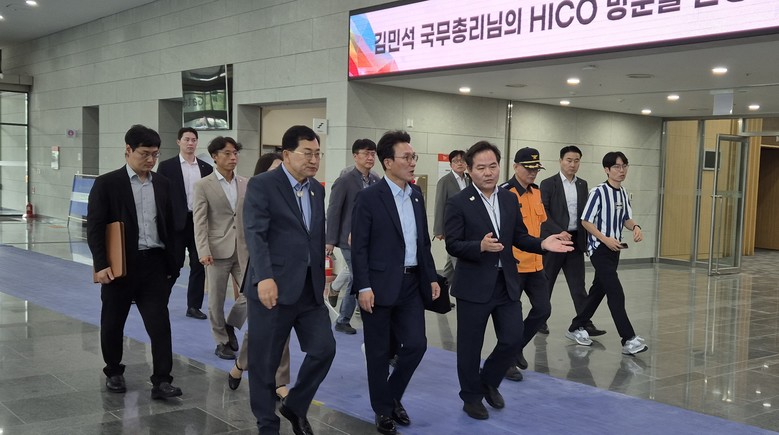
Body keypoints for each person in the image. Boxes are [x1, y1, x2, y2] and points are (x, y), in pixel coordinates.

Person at [444, 141, 572, 420]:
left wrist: (543, 244)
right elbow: (452, 244)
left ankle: (489, 380)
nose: (488, 172)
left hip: (506, 282)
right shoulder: (458, 202)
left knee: (513, 340)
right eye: (481, 168)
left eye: (493, 166)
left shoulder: (508, 198)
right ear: (469, 170)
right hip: (474, 286)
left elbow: (519, 237)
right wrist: (479, 246)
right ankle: (471, 397)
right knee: (469, 347)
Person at [243, 125, 336, 435]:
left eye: (318, 154)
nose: (314, 160)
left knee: (324, 349)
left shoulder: (317, 189)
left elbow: (316, 237)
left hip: (309, 290)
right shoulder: (263, 185)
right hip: (272, 288)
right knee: (264, 362)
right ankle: (267, 424)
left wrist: (323, 276)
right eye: (307, 153)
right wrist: (264, 277)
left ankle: (295, 405)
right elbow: (255, 234)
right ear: (286, 154)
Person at [351, 130, 440, 435]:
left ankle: (390, 396)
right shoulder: (368, 198)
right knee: (378, 353)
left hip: (411, 284)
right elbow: (359, 247)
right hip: (377, 287)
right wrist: (363, 286)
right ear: (388, 162)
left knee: (416, 345)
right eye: (407, 157)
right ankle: (383, 410)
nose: (413, 162)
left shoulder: (416, 195)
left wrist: (431, 277)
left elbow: (422, 242)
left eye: (414, 157)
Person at [87, 124, 182, 400]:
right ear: (128, 150)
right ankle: (114, 371)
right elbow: (95, 227)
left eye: (155, 154)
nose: (151, 160)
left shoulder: (162, 184)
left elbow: (171, 226)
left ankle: (162, 380)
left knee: (160, 325)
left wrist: (173, 266)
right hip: (120, 266)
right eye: (145, 154)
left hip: (154, 265)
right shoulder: (107, 184)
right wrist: (101, 265)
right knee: (113, 321)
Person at [565, 151, 648, 356]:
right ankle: (628, 339)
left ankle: (576, 326)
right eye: (617, 167)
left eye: (624, 166)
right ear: (607, 170)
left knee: (598, 291)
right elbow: (586, 221)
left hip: (614, 249)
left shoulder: (623, 192)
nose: (622, 170)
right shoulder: (598, 192)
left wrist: (635, 226)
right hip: (600, 249)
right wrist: (604, 239)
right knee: (615, 291)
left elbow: (626, 218)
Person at [226, 152, 292, 401]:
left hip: (286, 274)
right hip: (260, 275)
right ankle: (241, 366)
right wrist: (252, 278)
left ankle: (278, 380)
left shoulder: (289, 197)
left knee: (282, 330)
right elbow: (245, 242)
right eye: (274, 169)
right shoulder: (250, 197)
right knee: (260, 331)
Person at [539, 146, 606, 337]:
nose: (572, 164)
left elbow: (585, 214)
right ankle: (540, 320)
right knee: (546, 282)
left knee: (578, 285)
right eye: (569, 160)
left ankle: (584, 322)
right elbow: (543, 213)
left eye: (576, 161)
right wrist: (558, 231)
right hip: (554, 241)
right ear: (560, 161)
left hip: (575, 241)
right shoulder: (548, 183)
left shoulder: (582, 184)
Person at [192, 136, 247, 361]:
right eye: (227, 153)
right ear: (215, 156)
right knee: (216, 299)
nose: (233, 157)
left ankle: (230, 324)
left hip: (243, 249)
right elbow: (200, 221)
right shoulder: (203, 185)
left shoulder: (245, 183)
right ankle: (221, 341)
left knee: (251, 292)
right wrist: (203, 250)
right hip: (216, 251)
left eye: (235, 153)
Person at [500, 147, 550, 382]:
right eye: (528, 168)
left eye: (536, 169)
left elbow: (540, 225)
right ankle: (507, 362)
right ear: (515, 167)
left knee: (543, 309)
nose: (532, 173)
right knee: (510, 318)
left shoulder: (536, 192)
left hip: (536, 264)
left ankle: (516, 346)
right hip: (514, 266)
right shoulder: (505, 193)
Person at [157, 127, 213, 319]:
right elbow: (160, 196)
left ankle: (194, 306)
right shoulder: (167, 167)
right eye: (187, 139)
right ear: (178, 142)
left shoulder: (206, 168)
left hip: (199, 222)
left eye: (194, 140)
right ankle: (160, 301)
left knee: (199, 264)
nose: (190, 143)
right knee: (174, 264)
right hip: (176, 223)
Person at [325, 138, 381, 335]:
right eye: (366, 153)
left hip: (369, 238)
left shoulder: (375, 179)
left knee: (358, 277)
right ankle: (343, 319)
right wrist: (330, 241)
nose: (370, 157)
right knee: (358, 276)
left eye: (373, 154)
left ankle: (348, 313)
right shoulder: (345, 180)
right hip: (348, 239)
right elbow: (334, 210)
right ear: (355, 156)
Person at [433, 149, 469, 286]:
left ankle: (441, 290)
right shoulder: (445, 181)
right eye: (456, 161)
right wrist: (438, 230)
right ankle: (465, 288)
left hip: (466, 226)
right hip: (452, 227)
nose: (459, 163)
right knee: (458, 262)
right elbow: (439, 204)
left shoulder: (469, 179)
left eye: (462, 160)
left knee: (450, 266)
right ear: (450, 164)